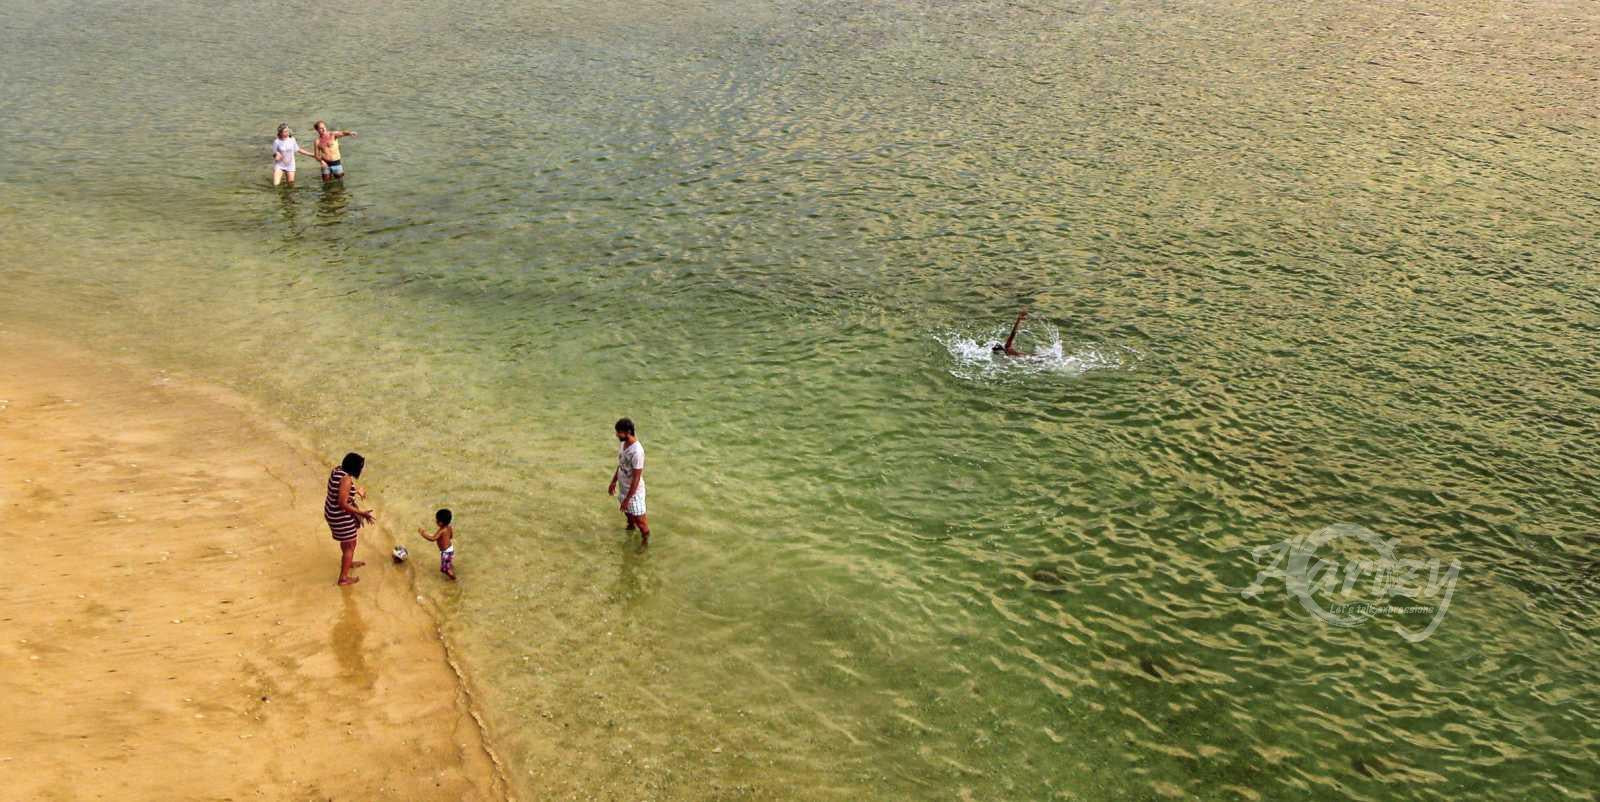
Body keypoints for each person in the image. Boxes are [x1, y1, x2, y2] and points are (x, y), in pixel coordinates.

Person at [324, 452, 375, 586]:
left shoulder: (338, 471)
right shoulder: (346, 480)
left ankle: (349, 562)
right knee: (350, 545)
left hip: (331, 512)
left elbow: (340, 489)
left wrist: (356, 491)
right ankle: (343, 578)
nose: (361, 469)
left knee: (347, 542)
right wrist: (362, 513)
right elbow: (342, 503)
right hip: (340, 516)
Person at [607, 418, 651, 549]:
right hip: (623, 487)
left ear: (628, 432)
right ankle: (630, 527)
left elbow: (636, 478)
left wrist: (628, 499)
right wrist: (613, 481)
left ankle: (645, 541)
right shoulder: (623, 444)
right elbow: (621, 465)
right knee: (628, 514)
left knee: (641, 522)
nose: (616, 435)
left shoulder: (637, 452)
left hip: (634, 493)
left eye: (619, 432)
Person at [418, 509, 456, 580]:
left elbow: (433, 538)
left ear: (440, 523)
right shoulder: (449, 527)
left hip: (446, 552)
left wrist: (423, 534)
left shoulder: (441, 530)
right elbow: (451, 536)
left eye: (436, 520)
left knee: (444, 570)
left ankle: (453, 579)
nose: (435, 521)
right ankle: (450, 567)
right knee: (448, 562)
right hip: (450, 549)